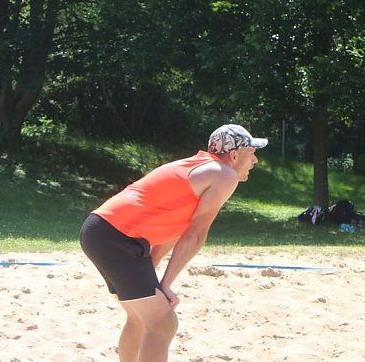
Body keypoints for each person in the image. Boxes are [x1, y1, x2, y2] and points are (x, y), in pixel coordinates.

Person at [80, 124, 267, 362]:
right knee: (162, 323)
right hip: (117, 237)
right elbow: (195, 235)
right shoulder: (224, 174)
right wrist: (165, 284)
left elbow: (175, 231)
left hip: (100, 230)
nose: (255, 160)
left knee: (142, 319)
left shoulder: (201, 167)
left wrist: (159, 283)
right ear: (234, 155)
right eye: (251, 152)